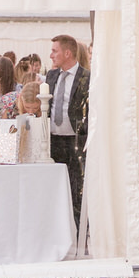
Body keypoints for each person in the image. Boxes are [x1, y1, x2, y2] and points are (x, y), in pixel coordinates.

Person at [46, 34, 91, 227]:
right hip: (53, 140)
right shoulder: (51, 76)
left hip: (76, 141)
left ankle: (81, 230)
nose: (51, 55)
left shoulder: (86, 77)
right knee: (54, 188)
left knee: (76, 189)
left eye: (54, 51)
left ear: (67, 52)